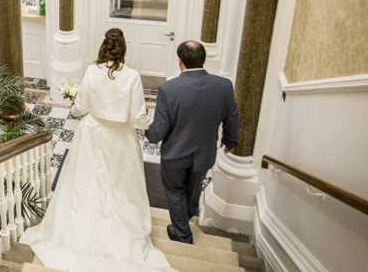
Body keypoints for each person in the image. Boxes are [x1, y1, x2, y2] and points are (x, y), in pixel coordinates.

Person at [20, 28, 176, 272]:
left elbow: (80, 108)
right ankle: (118, 233)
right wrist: (157, 128)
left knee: (85, 184)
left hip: (91, 134)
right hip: (121, 138)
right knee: (119, 187)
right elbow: (138, 117)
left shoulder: (92, 71)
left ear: (104, 48)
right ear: (123, 51)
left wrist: (74, 107)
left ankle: (80, 232)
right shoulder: (133, 76)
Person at [145, 41, 239, 244]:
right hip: (205, 154)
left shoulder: (168, 89)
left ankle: (182, 235)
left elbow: (158, 131)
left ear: (180, 61)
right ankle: (183, 221)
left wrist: (148, 133)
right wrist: (230, 140)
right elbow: (232, 117)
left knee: (175, 191)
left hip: (175, 155)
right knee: (193, 189)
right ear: (203, 59)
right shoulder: (224, 86)